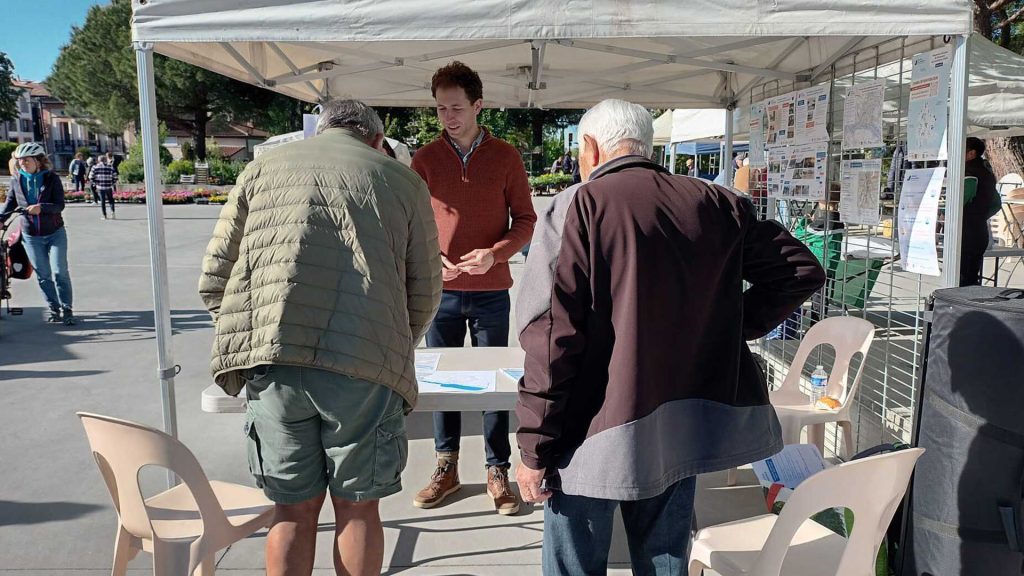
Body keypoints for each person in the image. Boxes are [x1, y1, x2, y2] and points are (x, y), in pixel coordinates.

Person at [514, 99, 826, 574]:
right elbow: (800, 271)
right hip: (680, 428)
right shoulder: (718, 202)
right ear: (647, 145)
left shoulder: (580, 205)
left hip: (589, 433)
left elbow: (551, 337)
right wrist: (719, 328)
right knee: (665, 563)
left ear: (590, 148)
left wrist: (533, 448)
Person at [198, 99, 442, 576]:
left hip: (273, 361)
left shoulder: (261, 170)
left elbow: (214, 278)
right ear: (377, 140)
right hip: (366, 365)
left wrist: (253, 332)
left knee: (290, 510)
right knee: (358, 509)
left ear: (320, 130)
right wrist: (393, 341)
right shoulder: (404, 182)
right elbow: (426, 290)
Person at [410, 61, 537, 515]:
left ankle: (497, 468)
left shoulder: (506, 156)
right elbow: (415, 221)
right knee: (441, 380)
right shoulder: (424, 159)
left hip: (490, 290)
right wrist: (430, 254)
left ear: (479, 105)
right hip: (439, 290)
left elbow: (526, 219)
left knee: (493, 383)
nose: (449, 116)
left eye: (457, 107)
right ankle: (446, 465)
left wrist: (495, 254)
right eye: (441, 108)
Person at [1, 142, 76, 325]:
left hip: (55, 232)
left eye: (26, 160)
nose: (22, 164)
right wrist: (1, 218)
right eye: (19, 161)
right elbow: (11, 202)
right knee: (43, 275)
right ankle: (54, 308)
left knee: (60, 272)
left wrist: (41, 208)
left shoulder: (51, 178)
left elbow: (59, 205)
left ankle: (67, 308)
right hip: (31, 235)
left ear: (38, 161)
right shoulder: (17, 179)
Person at [961, 137, 1001, 286]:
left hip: (965, 232)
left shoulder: (969, 172)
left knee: (961, 278)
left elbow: (959, 201)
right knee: (971, 276)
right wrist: (981, 215)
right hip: (979, 231)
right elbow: (997, 203)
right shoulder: (987, 172)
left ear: (971, 153)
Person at [88, 155, 117, 220]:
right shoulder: (110, 167)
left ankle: (104, 215)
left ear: (99, 160)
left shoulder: (95, 167)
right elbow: (115, 177)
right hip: (109, 186)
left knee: (102, 201)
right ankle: (113, 213)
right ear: (105, 160)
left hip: (100, 186)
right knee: (111, 200)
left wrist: (95, 183)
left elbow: (90, 177)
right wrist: (112, 183)